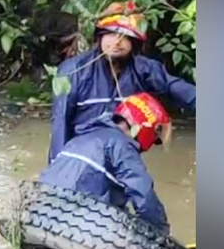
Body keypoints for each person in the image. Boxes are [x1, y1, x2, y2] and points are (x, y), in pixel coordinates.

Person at [48, 1, 195, 163]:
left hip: (122, 157)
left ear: (134, 43)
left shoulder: (144, 69)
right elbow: (60, 123)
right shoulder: (73, 71)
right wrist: (57, 167)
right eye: (111, 34)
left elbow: (175, 87)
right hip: (83, 156)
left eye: (125, 37)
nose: (117, 42)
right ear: (100, 36)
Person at [40, 93, 171, 233]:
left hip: (41, 211)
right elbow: (144, 197)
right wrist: (162, 238)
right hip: (76, 222)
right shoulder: (121, 146)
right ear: (146, 128)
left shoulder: (83, 136)